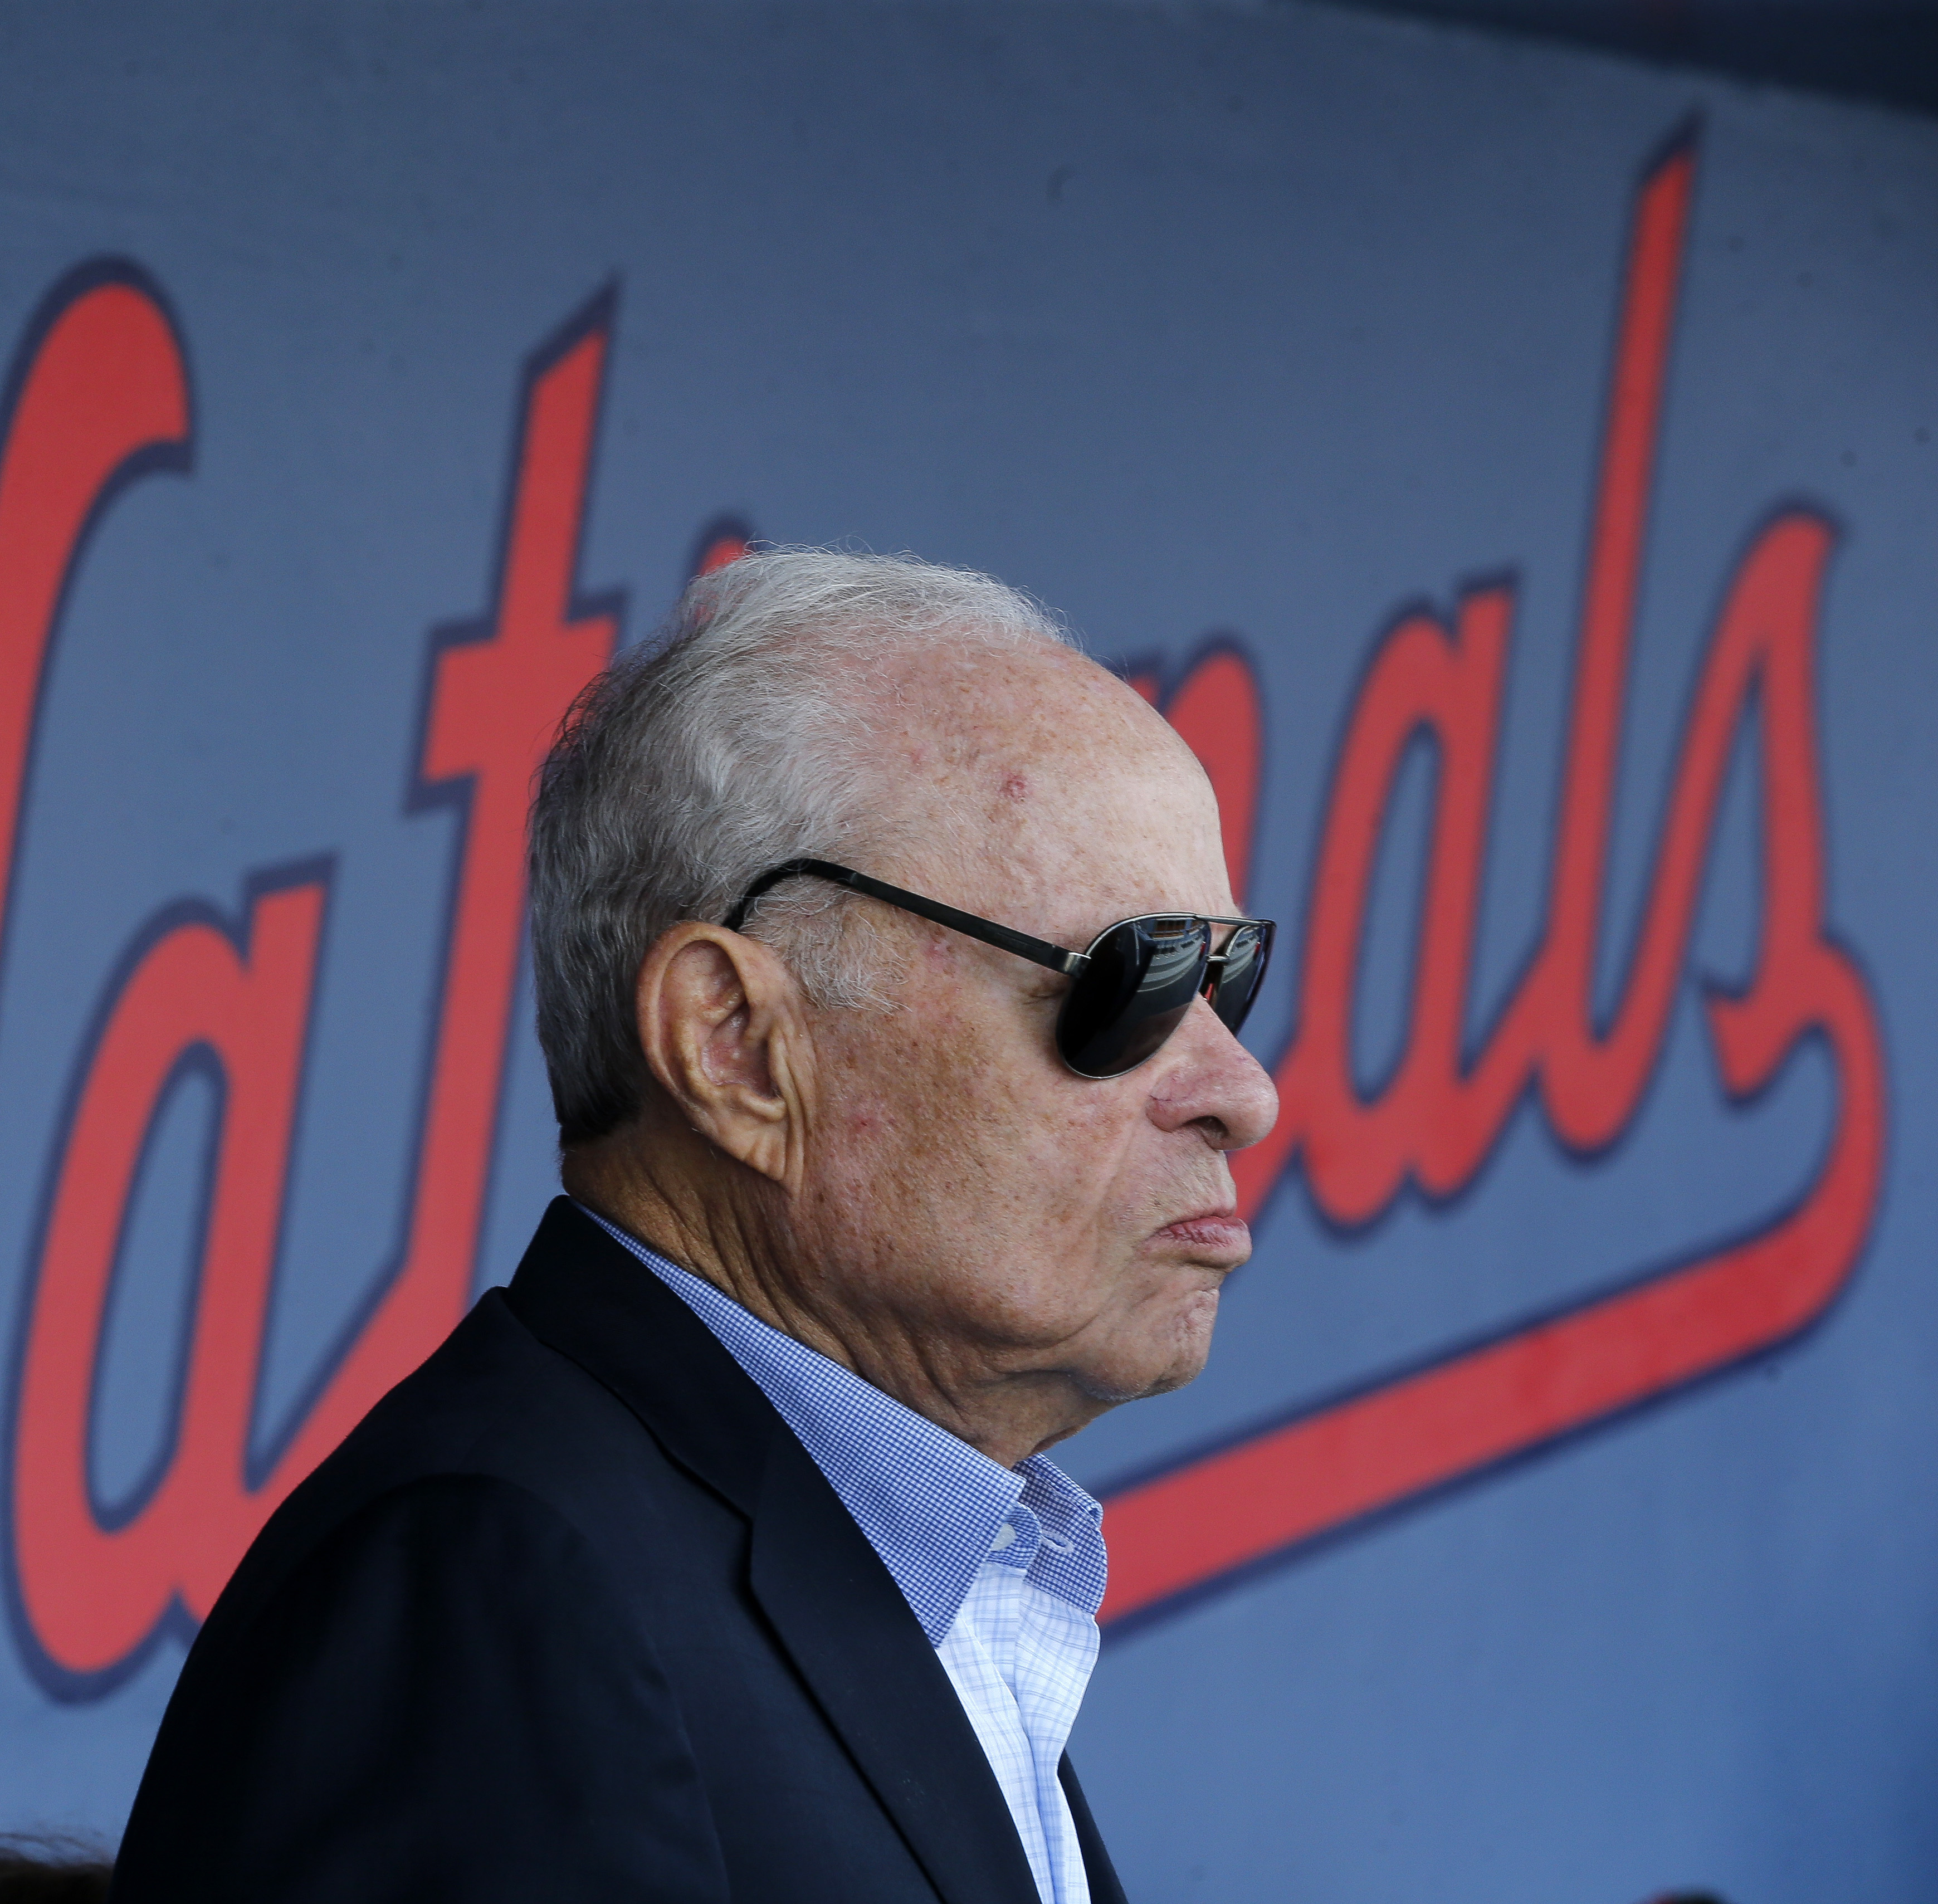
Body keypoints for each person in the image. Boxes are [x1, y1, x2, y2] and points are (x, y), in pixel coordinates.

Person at [113, 549, 1280, 1902]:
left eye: (1226, 975)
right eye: (1129, 982)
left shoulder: (893, 1558)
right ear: (732, 1044)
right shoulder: (502, 1587)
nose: (1239, 1093)